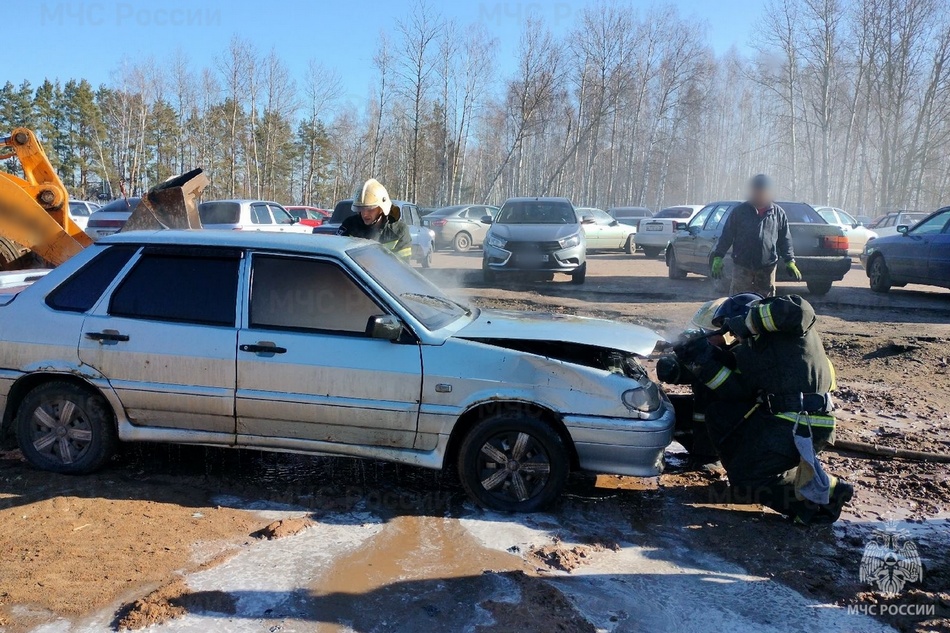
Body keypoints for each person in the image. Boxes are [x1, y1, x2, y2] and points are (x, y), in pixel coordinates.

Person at [674, 293, 853, 525]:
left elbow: (800, 313)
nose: (733, 335)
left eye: (731, 327)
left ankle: (825, 494)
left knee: (747, 480)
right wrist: (701, 358)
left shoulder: (790, 326)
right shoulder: (752, 351)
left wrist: (747, 321)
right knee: (721, 416)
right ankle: (793, 483)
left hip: (802, 419)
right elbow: (734, 391)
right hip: (780, 419)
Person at [711, 174, 802, 297]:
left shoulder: (778, 213)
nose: (760, 194)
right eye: (757, 191)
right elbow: (727, 235)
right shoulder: (740, 212)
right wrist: (718, 256)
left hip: (767, 268)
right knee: (739, 302)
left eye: (763, 191)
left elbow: (784, 239)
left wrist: (789, 260)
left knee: (766, 305)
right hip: (742, 266)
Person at [337, 178, 412, 260]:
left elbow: (403, 267)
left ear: (381, 208)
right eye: (361, 208)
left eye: (370, 209)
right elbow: (337, 255)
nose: (365, 214)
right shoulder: (349, 226)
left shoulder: (399, 231)